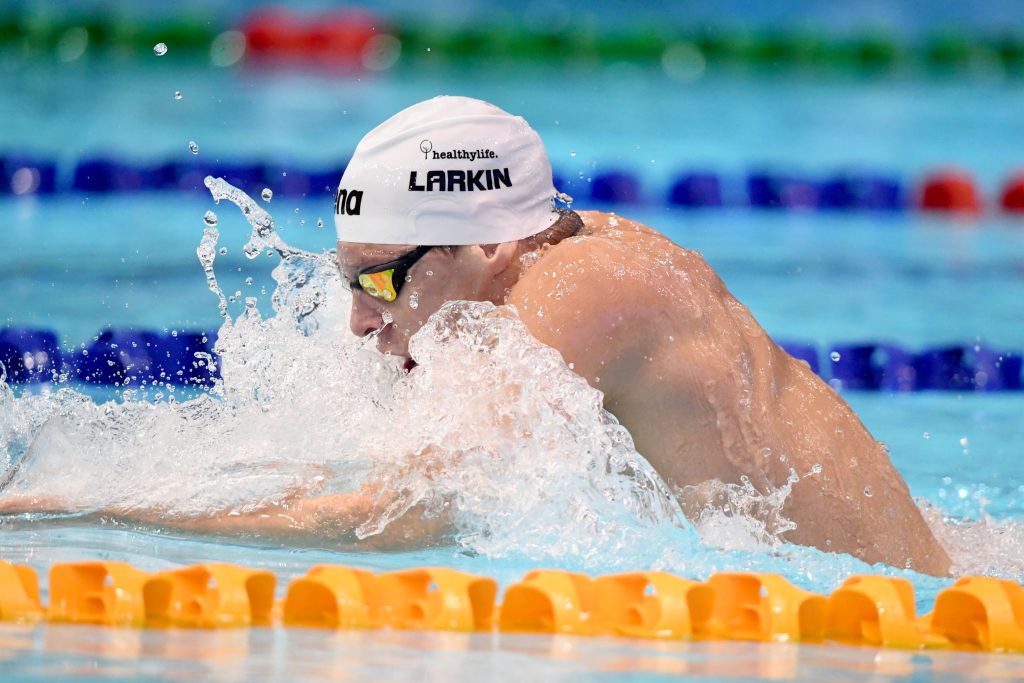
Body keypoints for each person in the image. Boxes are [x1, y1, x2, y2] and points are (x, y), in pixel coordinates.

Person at [2, 96, 951, 576]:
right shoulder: (548, 255)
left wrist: (87, 513)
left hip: (880, 627)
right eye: (347, 280)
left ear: (487, 245)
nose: (360, 320)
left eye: (382, 279)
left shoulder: (585, 290)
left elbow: (404, 511)